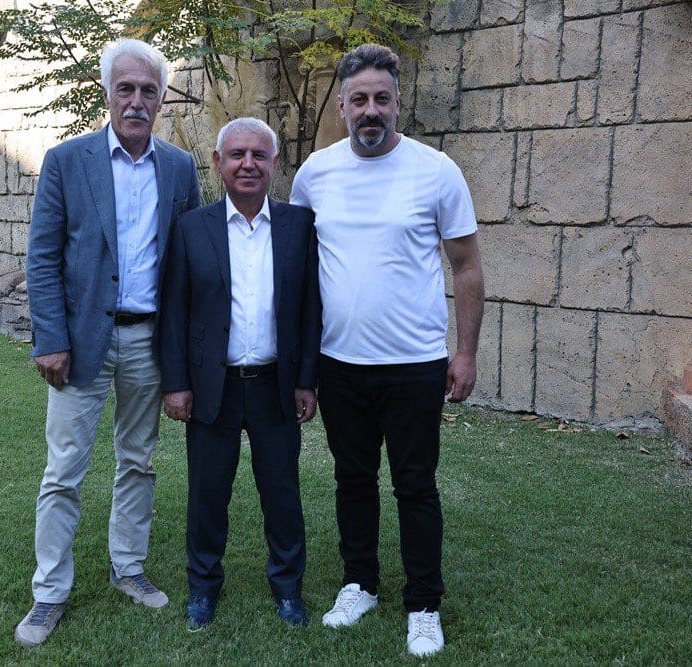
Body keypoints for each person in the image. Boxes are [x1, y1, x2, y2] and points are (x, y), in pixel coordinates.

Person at [289, 43, 485, 657]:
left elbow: (467, 267)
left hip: (414, 365)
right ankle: (360, 584)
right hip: (339, 364)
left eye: (381, 98)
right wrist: (302, 365)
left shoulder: (436, 171)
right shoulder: (314, 174)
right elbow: (299, 271)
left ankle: (423, 603)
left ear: (398, 102)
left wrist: (465, 353)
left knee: (415, 486)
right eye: (359, 100)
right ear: (342, 107)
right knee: (352, 480)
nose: (370, 110)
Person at [15, 38, 201, 648]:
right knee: (64, 470)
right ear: (107, 94)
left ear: (162, 97)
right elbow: (42, 258)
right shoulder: (67, 161)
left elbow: (186, 265)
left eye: (149, 90)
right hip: (81, 343)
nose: (137, 101)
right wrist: (50, 338)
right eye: (126, 89)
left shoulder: (180, 168)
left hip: (148, 341)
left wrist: (182, 356)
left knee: (138, 461)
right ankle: (50, 592)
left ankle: (128, 567)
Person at [160, 117, 320, 630]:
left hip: (276, 385)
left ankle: (288, 588)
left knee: (282, 492)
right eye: (237, 155)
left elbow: (310, 309)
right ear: (218, 163)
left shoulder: (299, 225)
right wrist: (176, 384)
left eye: (258, 155)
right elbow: (175, 311)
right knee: (207, 494)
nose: (248, 164)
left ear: (274, 163)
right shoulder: (192, 228)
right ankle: (203, 587)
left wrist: (306, 380)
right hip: (214, 387)